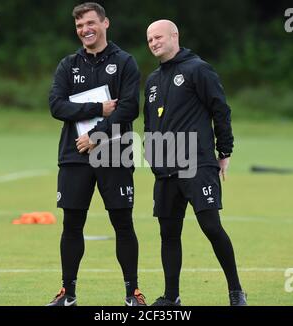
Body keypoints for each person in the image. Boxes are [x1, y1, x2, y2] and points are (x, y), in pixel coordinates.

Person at [47, 2, 146, 306]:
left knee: (122, 223)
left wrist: (96, 136)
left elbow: (130, 108)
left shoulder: (125, 62)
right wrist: (96, 110)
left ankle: (132, 292)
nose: (85, 30)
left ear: (105, 24)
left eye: (90, 23)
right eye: (79, 26)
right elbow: (56, 106)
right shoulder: (68, 64)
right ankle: (68, 292)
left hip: (114, 154)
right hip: (75, 156)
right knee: (72, 225)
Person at [144, 20, 247, 306]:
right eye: (150, 39)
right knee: (168, 234)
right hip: (165, 170)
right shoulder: (152, 81)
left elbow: (220, 110)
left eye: (159, 37)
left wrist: (224, 151)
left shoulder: (198, 69)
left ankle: (236, 291)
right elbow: (149, 122)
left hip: (197, 164)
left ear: (175, 35)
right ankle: (171, 296)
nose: (154, 42)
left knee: (211, 226)